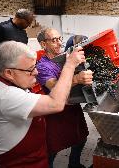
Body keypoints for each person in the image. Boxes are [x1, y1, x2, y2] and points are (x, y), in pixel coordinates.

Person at [0, 41, 85, 167]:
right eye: (30, 70)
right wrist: (70, 65)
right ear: (9, 73)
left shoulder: (7, 79)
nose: (36, 72)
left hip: (29, 157)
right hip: (11, 163)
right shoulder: (3, 95)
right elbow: (55, 104)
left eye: (35, 66)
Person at [36, 28, 93, 168]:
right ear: (43, 44)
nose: (59, 43)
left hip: (73, 107)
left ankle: (73, 164)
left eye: (60, 39)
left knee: (81, 138)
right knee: (53, 148)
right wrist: (77, 79)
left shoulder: (63, 58)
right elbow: (55, 87)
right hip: (56, 112)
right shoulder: (42, 66)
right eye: (54, 40)